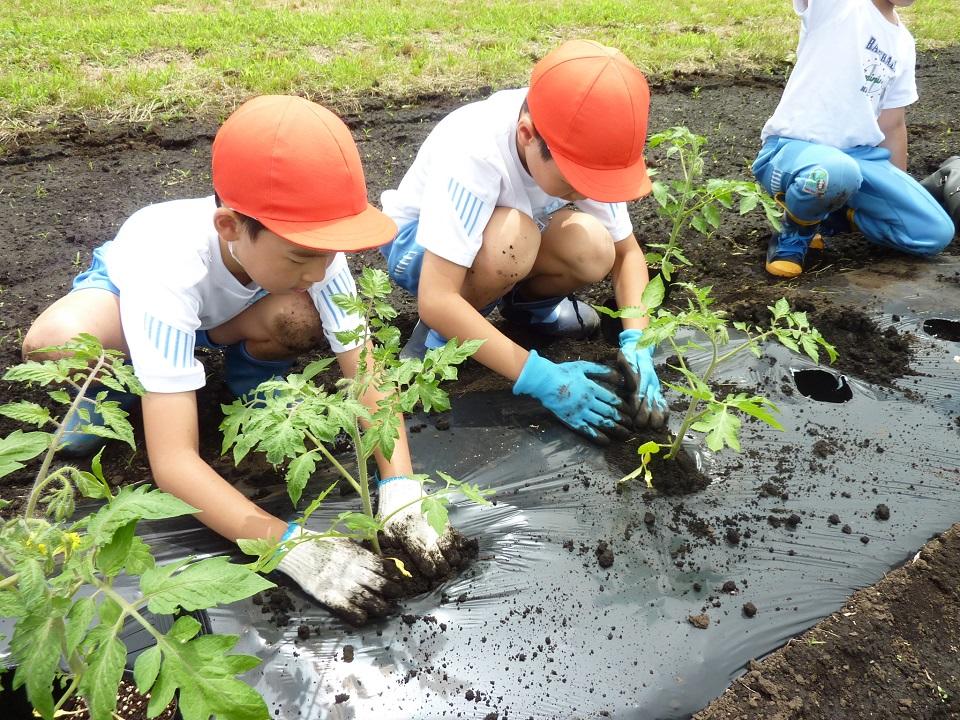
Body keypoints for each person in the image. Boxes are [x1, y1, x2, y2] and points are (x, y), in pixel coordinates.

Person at [22, 95, 458, 625]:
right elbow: (174, 464)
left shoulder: (311, 244)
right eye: (302, 258)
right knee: (60, 340)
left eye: (328, 255)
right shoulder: (166, 264)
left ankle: (255, 380)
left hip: (229, 308)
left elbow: (364, 369)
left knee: (299, 315)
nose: (321, 271)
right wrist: (287, 545)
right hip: (131, 304)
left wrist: (401, 486)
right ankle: (108, 389)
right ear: (230, 227)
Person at [379, 39, 669, 444]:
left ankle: (528, 310)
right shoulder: (475, 150)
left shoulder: (583, 137)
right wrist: (540, 378)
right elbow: (436, 297)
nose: (586, 192)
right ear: (527, 135)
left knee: (593, 246)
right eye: (575, 183)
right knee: (513, 239)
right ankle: (436, 339)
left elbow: (626, 254)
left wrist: (638, 339)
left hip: (509, 242)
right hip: (421, 250)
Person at [755, 0, 954, 279]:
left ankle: (831, 216)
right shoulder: (842, 7)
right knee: (834, 172)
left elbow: (892, 125)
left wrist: (895, 191)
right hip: (794, 149)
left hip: (859, 158)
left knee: (932, 233)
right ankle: (794, 234)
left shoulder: (903, 43)